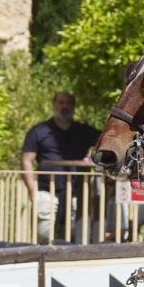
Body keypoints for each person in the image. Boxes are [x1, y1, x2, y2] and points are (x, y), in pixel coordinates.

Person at [21, 91, 101, 245]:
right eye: (61, 102)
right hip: (47, 193)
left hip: (77, 196)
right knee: (46, 238)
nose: (65, 106)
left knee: (71, 241)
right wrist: (33, 191)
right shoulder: (39, 131)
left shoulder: (83, 131)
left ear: (74, 107)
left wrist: (93, 157)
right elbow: (27, 160)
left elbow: (105, 142)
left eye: (69, 103)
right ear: (54, 105)